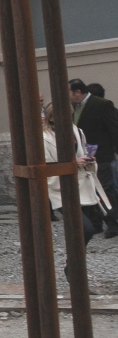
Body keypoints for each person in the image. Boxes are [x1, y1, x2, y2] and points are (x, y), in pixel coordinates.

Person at [43, 102, 109, 244]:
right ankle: (72, 264)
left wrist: (89, 161)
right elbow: (47, 167)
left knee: (81, 230)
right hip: (61, 190)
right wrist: (74, 164)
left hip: (82, 186)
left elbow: (83, 153)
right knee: (86, 229)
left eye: (70, 114)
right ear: (52, 117)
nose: (67, 118)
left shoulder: (76, 131)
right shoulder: (44, 137)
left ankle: (76, 265)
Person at [70, 78, 118, 238]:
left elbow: (114, 129)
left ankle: (112, 223)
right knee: (89, 188)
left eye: (69, 92)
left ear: (78, 92)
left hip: (101, 156)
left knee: (105, 189)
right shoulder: (74, 108)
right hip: (83, 156)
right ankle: (96, 222)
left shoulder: (101, 104)